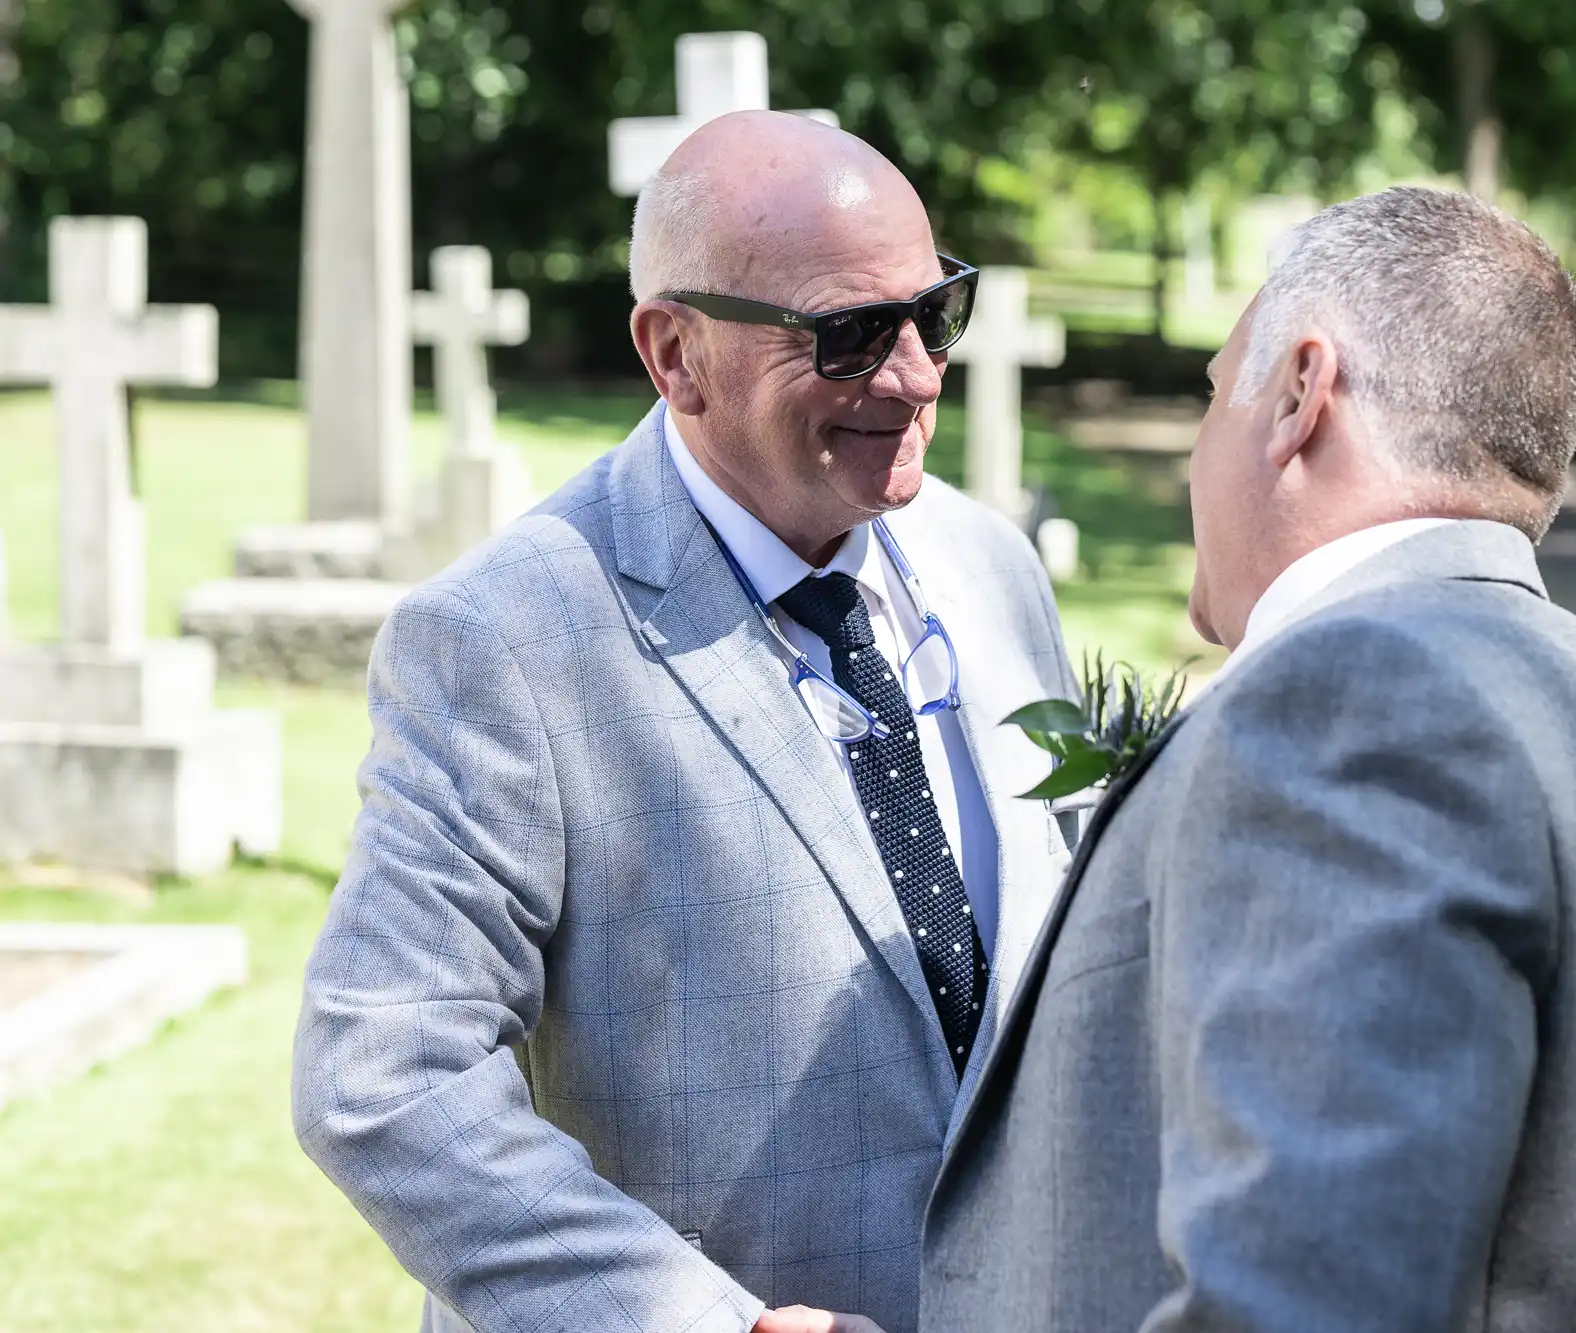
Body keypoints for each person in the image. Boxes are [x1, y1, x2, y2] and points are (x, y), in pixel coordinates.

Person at [293, 111, 1080, 1333]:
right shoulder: (505, 638)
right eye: (850, 334)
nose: (918, 374)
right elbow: (385, 1073)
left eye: (934, 314)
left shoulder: (990, 563)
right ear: (676, 353)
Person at [922, 186, 1576, 1332]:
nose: (1188, 463)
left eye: (1213, 396)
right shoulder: (1566, 679)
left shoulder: (1353, 707)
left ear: (1300, 393)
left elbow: (1306, 1299)